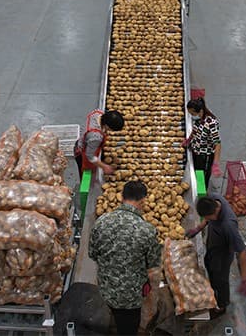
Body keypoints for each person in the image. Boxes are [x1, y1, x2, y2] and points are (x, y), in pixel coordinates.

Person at [90, 180, 162, 335]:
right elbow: (153, 263)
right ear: (142, 201)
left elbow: (92, 254)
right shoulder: (148, 230)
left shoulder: (101, 222)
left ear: (122, 197)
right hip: (131, 295)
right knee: (129, 327)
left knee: (116, 315)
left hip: (106, 290)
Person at [186, 195, 246, 318]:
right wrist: (198, 228)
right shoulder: (215, 199)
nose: (206, 219)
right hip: (213, 247)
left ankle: (222, 306)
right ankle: (213, 289)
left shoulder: (228, 225)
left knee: (221, 281)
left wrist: (245, 278)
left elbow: (242, 251)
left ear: (215, 212)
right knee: (210, 269)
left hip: (222, 257)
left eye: (208, 217)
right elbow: (207, 219)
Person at [74, 109, 124, 178]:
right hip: (83, 154)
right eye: (111, 129)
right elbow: (90, 156)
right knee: (87, 172)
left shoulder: (97, 113)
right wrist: (104, 166)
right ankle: (85, 187)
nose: (111, 131)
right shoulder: (96, 137)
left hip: (85, 141)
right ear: (106, 125)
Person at [183, 97, 221, 190]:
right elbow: (195, 130)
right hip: (197, 152)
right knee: (197, 173)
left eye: (192, 113)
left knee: (202, 178)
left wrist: (215, 163)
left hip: (205, 156)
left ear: (200, 111)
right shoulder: (199, 118)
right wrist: (188, 140)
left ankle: (201, 195)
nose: (191, 115)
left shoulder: (211, 123)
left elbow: (218, 143)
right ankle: (198, 188)